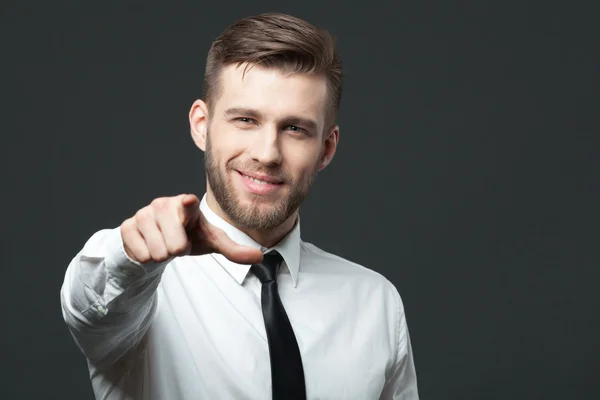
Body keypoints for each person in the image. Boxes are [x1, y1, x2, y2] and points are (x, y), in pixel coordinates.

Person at [60, 12, 419, 400]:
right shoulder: (143, 291)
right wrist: (130, 255)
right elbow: (90, 305)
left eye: (295, 128)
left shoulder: (375, 303)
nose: (267, 154)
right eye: (246, 119)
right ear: (201, 125)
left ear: (326, 149)